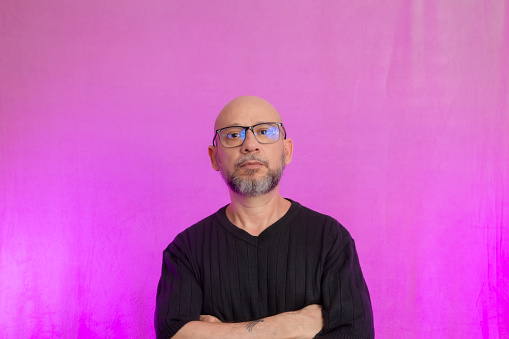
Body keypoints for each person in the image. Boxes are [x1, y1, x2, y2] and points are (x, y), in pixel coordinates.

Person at [155, 96, 374, 338]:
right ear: (214, 157)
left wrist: (215, 333)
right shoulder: (186, 250)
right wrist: (288, 326)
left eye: (265, 131)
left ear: (287, 150)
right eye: (233, 135)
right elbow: (172, 333)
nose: (250, 144)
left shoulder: (330, 239)